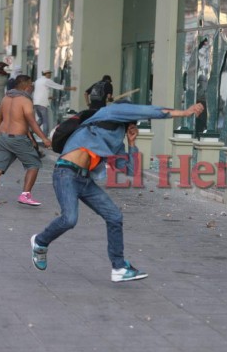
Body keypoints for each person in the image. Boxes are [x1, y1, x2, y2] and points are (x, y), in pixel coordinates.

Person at [30, 100, 204, 282]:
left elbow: (131, 170)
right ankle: (40, 242)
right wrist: (184, 113)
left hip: (84, 181)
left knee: (114, 216)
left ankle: (119, 267)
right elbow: (148, 109)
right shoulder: (109, 112)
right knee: (69, 219)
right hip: (65, 172)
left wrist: (132, 143)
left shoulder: (115, 140)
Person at [0, 75, 52, 208]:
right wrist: (44, 138)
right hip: (18, 139)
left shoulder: (6, 98)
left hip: (4, 137)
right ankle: (25, 195)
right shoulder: (25, 100)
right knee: (34, 164)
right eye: (31, 85)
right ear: (26, 86)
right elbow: (31, 121)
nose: (32, 87)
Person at [33, 68, 77, 137]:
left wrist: (49, 97)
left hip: (36, 102)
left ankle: (31, 131)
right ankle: (45, 137)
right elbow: (58, 86)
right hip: (42, 103)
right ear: (45, 74)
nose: (50, 75)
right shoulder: (47, 81)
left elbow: (40, 92)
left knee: (41, 119)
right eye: (49, 73)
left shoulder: (38, 81)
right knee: (45, 121)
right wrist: (71, 88)